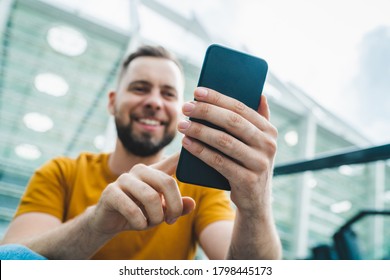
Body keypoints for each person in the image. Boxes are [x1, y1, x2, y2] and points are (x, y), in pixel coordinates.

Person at [0, 45, 281, 260]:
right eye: (139, 88)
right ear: (112, 102)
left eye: (168, 94)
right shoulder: (62, 173)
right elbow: (11, 262)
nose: (154, 102)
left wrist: (255, 205)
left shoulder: (200, 190)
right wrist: (96, 224)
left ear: (181, 108)